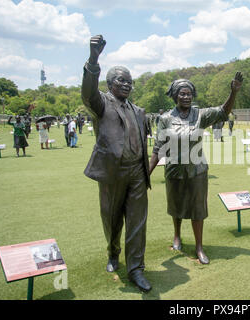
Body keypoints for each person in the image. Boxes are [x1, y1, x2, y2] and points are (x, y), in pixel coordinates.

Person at [149, 72, 243, 265]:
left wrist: (233, 92)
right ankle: (177, 236)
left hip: (197, 170)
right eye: (182, 94)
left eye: (189, 93)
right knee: (176, 205)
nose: (186, 97)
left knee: (198, 209)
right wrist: (146, 174)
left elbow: (222, 111)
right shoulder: (166, 118)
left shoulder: (200, 115)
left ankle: (199, 246)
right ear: (175, 96)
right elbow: (158, 148)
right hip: (174, 170)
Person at [82, 35, 152, 292]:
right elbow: (88, 94)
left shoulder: (139, 111)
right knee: (111, 219)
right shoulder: (102, 104)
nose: (126, 84)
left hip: (136, 172)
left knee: (137, 222)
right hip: (112, 173)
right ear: (110, 84)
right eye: (121, 80)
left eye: (130, 81)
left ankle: (136, 269)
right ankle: (113, 253)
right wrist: (93, 60)